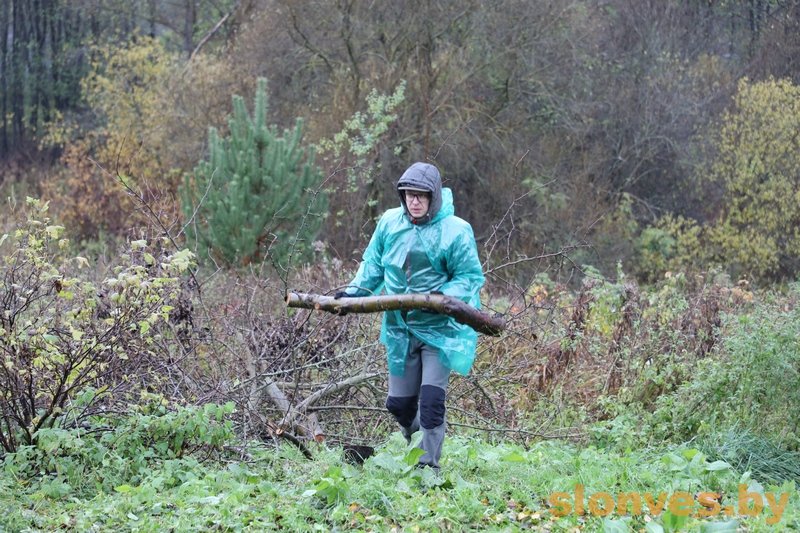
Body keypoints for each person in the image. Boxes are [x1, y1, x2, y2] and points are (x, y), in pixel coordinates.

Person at [335, 162, 485, 470]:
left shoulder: (456, 230)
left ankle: (427, 468)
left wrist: (440, 298)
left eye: (421, 195)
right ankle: (417, 443)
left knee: (431, 403)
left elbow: (469, 276)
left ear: (433, 197)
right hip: (400, 329)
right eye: (408, 195)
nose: (414, 201)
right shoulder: (390, 223)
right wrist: (352, 294)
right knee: (399, 405)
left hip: (439, 331)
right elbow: (373, 264)